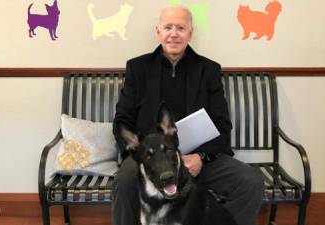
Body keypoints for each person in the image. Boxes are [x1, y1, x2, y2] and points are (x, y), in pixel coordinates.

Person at [112, 5, 264, 225]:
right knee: (125, 181)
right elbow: (122, 120)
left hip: (199, 155)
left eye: (181, 28)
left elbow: (222, 125)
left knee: (250, 181)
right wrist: (139, 151)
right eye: (168, 27)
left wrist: (202, 157)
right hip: (151, 156)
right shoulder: (138, 68)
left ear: (190, 33)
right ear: (158, 32)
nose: (174, 33)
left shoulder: (208, 70)